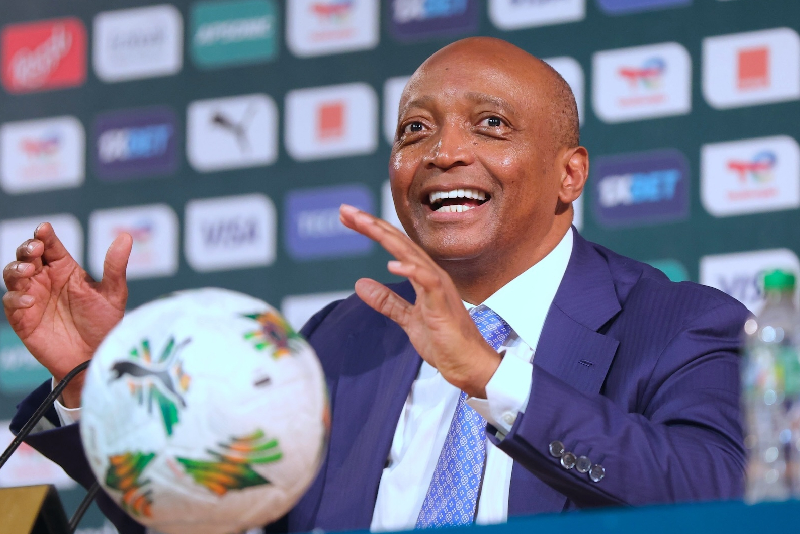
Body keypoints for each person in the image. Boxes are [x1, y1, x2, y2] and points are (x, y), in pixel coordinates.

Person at [4, 37, 749, 534]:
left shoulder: (678, 325)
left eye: (490, 125)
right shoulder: (340, 341)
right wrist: (103, 386)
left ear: (570, 173)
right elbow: (215, 519)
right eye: (415, 130)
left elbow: (723, 495)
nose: (444, 151)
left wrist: (488, 375)